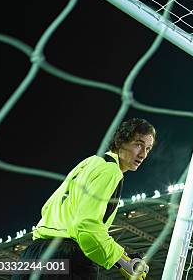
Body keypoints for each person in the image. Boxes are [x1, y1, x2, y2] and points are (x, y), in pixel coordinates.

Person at [12, 118, 156, 280]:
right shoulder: (111, 171)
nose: (143, 154)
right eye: (138, 145)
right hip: (67, 258)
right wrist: (121, 261)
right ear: (121, 142)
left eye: (148, 149)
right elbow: (87, 226)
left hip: (31, 257)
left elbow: (47, 207)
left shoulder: (89, 163)